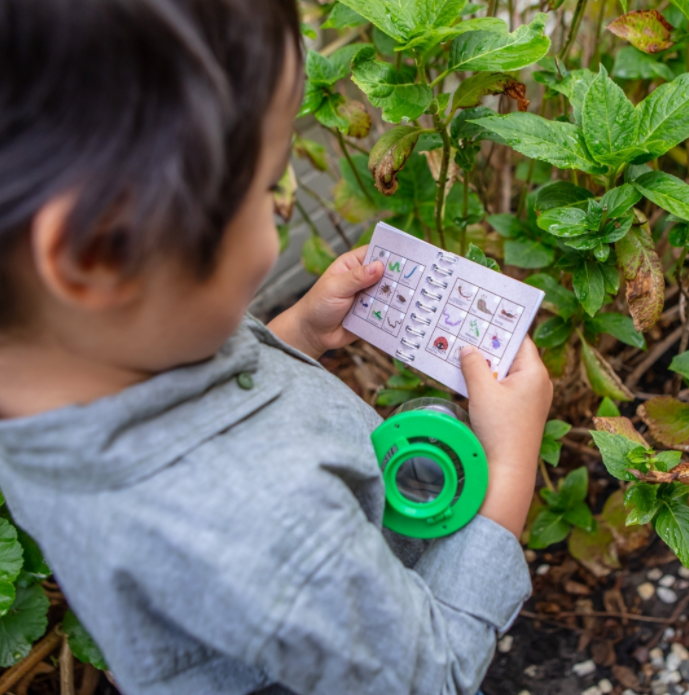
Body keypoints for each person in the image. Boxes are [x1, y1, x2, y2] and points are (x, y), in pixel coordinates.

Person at [0, 0, 553, 693]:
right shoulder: (268, 529)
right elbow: (424, 674)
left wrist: (292, 333)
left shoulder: (56, 363)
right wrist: (507, 475)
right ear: (99, 252)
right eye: (264, 188)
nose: (279, 215)